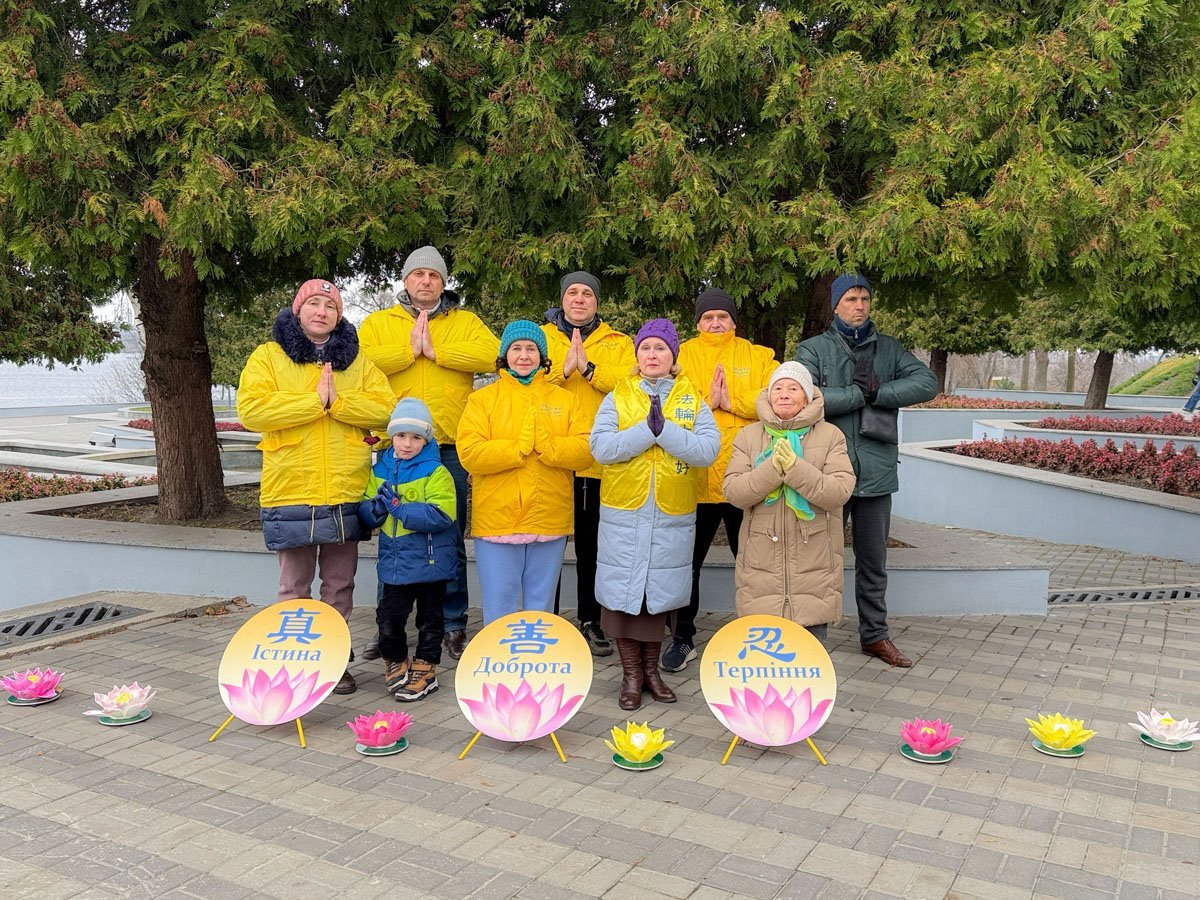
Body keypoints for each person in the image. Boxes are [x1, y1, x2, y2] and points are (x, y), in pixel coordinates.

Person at [237, 279, 393, 695]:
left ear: (339, 315)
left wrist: (339, 403)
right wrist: (313, 402)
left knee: (340, 585)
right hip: (291, 488)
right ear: (298, 310)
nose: (321, 311)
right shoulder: (269, 356)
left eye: (330, 305)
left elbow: (386, 410)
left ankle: (333, 659)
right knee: (293, 586)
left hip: (346, 488)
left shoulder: (358, 361)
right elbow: (252, 410)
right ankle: (293, 661)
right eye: (314, 304)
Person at [359, 246, 499, 660]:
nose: (425, 281)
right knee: (393, 533)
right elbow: (360, 361)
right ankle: (390, 625)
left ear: (443, 282)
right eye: (418, 274)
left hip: (448, 446)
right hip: (395, 447)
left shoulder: (465, 322)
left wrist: (438, 350)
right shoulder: (379, 323)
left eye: (434, 275)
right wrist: (409, 351)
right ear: (405, 280)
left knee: (447, 534)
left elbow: (494, 355)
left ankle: (452, 623)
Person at [796, 273, 936, 667]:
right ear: (835, 305)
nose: (859, 306)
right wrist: (858, 394)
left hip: (875, 471)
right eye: (851, 299)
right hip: (827, 472)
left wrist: (879, 391)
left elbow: (927, 382)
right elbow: (806, 397)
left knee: (873, 562)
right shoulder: (812, 349)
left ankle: (874, 636)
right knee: (819, 559)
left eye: (864, 299)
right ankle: (812, 636)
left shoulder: (889, 348)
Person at [591, 319, 720, 711]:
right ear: (637, 355)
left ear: (673, 355)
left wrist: (666, 431)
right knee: (622, 597)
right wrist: (647, 431)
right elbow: (601, 447)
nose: (652, 354)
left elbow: (708, 450)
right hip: (625, 515)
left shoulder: (691, 398)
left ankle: (651, 672)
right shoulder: (618, 395)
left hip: (670, 516)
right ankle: (631, 675)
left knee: (657, 600)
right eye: (645, 347)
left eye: (660, 348)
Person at [666, 287, 777, 672]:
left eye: (722, 316)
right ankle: (682, 637)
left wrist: (732, 403)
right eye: (708, 317)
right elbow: (668, 402)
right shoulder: (680, 356)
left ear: (733, 321)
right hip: (694, 481)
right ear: (698, 322)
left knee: (752, 563)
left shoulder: (759, 357)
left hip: (746, 479)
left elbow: (775, 400)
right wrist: (705, 403)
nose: (715, 323)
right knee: (686, 564)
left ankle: (760, 634)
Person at [457, 321, 592, 624]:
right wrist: (516, 449)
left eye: (531, 348)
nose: (523, 355)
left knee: (540, 608)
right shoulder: (482, 400)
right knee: (499, 607)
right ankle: (497, 653)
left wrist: (548, 447)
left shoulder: (565, 400)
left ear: (542, 355)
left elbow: (586, 449)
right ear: (505, 355)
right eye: (516, 348)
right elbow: (470, 453)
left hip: (549, 516)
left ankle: (537, 653)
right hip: (498, 519)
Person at [723, 362, 856, 641]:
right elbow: (735, 492)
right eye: (778, 388)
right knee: (764, 659)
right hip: (760, 567)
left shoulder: (831, 435)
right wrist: (773, 470)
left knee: (809, 658)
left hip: (815, 566)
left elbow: (838, 491)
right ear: (769, 395)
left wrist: (795, 469)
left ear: (807, 398)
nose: (784, 394)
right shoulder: (748, 436)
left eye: (793, 389)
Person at [542, 271, 636, 656]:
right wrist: (563, 370)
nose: (579, 299)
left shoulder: (619, 342)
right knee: (547, 544)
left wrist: (591, 370)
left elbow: (632, 383)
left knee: (592, 547)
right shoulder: (542, 337)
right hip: (551, 457)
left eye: (587, 294)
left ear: (597, 301)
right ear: (562, 299)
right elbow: (521, 377)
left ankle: (590, 619)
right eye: (572, 293)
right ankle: (545, 619)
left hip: (598, 460)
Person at [358, 398, 457, 701]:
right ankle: (395, 659)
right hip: (395, 562)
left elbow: (443, 514)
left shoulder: (436, 471)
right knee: (388, 617)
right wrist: (376, 507)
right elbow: (366, 509)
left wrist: (400, 508)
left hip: (430, 563)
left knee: (430, 619)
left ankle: (425, 668)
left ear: (426, 439)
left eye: (416, 437)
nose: (407, 443)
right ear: (391, 436)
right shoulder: (379, 469)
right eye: (400, 435)